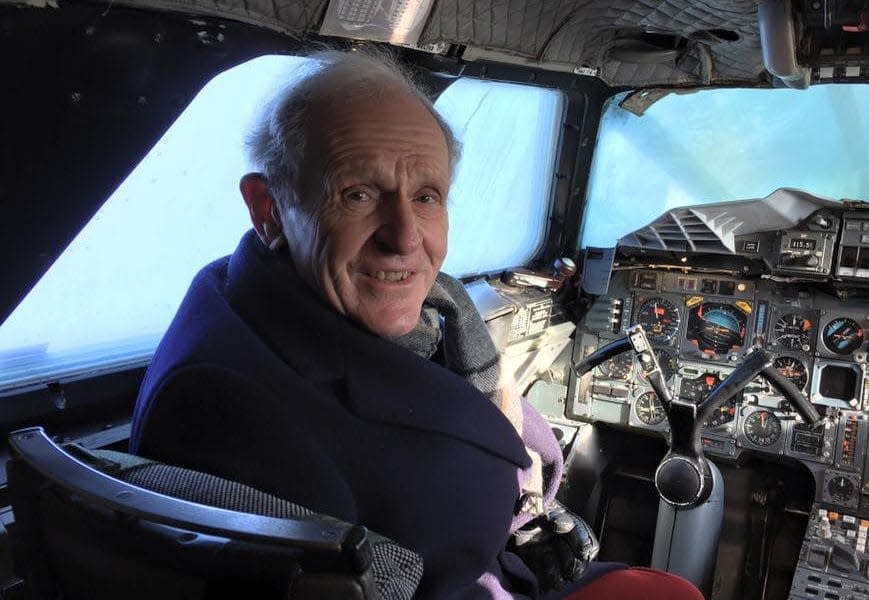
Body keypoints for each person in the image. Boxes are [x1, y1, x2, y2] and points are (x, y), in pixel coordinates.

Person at [130, 49, 704, 600]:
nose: (405, 238)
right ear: (268, 208)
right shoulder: (217, 407)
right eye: (357, 194)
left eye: (426, 195)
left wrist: (531, 513)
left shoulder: (417, 311)